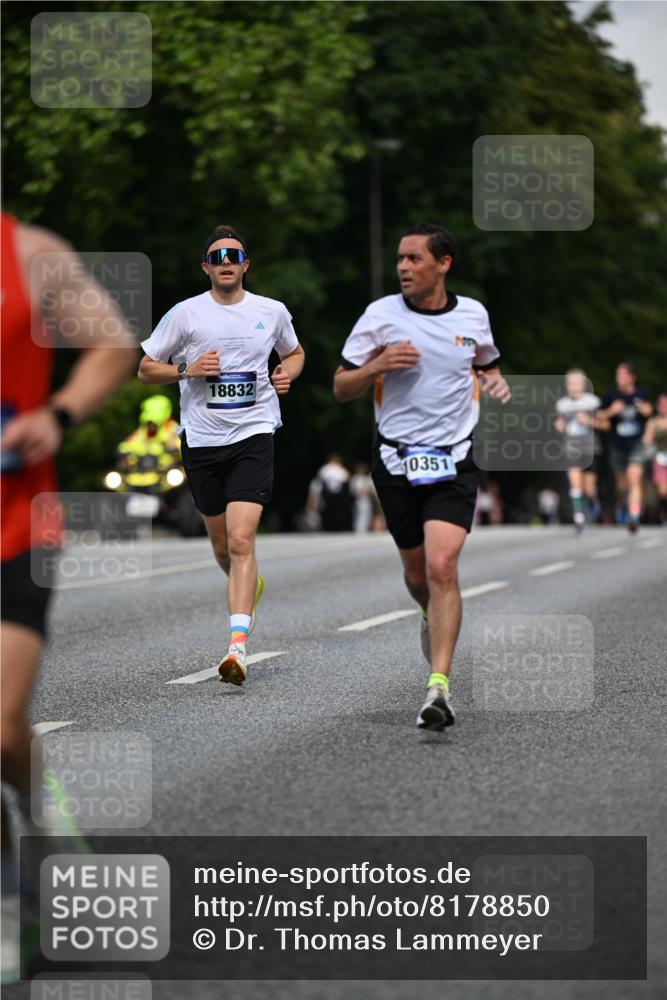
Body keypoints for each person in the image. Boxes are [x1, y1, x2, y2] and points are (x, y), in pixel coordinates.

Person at [0, 212, 137, 982]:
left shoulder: (30, 254)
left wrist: (57, 414)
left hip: (15, 521)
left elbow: (113, 345)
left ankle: (43, 821)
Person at [333, 223, 510, 731]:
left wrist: (494, 382)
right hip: (395, 461)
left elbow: (486, 363)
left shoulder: (473, 314)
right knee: (417, 577)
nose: (404, 268)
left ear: (443, 263)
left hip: (454, 458)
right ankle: (430, 616)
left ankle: (439, 688)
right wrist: (378, 365)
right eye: (400, 260)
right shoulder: (379, 317)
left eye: (414, 259)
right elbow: (341, 386)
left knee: (442, 566)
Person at [138, 224, 305, 685]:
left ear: (246, 264)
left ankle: (236, 648)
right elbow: (145, 369)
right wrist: (187, 369)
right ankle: (250, 584)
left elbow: (294, 353)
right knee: (219, 545)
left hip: (253, 434)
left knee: (240, 541)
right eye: (218, 256)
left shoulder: (270, 312)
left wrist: (285, 373)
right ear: (207, 267)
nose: (227, 261)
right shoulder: (186, 314)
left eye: (234, 254)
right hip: (203, 440)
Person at [598, 363, 652, 532]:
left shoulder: (640, 393)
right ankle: (623, 504)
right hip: (617, 444)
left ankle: (634, 517)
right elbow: (598, 415)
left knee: (634, 477)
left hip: (636, 444)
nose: (619, 378)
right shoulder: (610, 394)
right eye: (618, 374)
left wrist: (645, 409)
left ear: (632, 377)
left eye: (623, 375)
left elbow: (650, 411)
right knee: (622, 485)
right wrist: (612, 411)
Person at [554, 368, 602, 532]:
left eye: (577, 384)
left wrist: (589, 421)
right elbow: (560, 423)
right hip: (572, 449)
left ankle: (592, 500)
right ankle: (579, 517)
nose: (574, 387)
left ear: (583, 385)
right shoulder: (562, 404)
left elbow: (604, 424)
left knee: (588, 488)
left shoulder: (593, 402)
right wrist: (558, 426)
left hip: (590, 448)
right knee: (575, 483)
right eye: (571, 384)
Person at [117, 394, 181, 480]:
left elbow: (180, 446)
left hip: (166, 473)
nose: (151, 426)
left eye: (154, 423)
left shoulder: (173, 430)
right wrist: (123, 451)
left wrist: (174, 450)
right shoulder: (142, 431)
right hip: (139, 472)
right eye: (149, 423)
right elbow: (128, 444)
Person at [306, 454, 353, 532]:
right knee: (332, 511)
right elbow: (347, 478)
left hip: (332, 493)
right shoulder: (332, 468)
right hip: (331, 493)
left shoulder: (327, 468)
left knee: (331, 511)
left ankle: (331, 526)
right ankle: (332, 526)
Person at [642, 393, 667, 523]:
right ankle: (663, 511)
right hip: (660, 459)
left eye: (665, 404)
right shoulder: (653, 421)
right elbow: (646, 441)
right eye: (660, 404)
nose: (663, 406)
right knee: (663, 491)